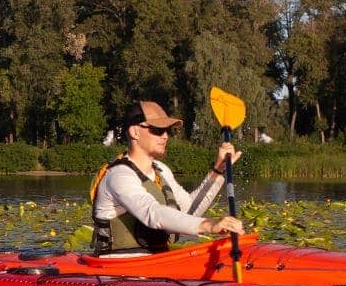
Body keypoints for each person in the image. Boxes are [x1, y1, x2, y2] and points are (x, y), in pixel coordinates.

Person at [90, 100, 244, 256]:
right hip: (118, 270)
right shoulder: (119, 175)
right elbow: (152, 213)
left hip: (156, 264)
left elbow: (190, 211)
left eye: (167, 131)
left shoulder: (162, 170)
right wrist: (209, 225)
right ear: (135, 132)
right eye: (157, 130)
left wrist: (218, 170)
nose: (165, 136)